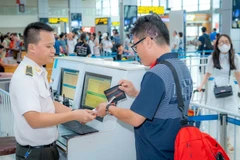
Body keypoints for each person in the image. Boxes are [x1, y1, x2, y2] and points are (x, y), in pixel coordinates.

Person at [96, 14, 193, 160]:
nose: (137, 53)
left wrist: (109, 108)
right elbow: (167, 101)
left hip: (155, 153)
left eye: (136, 46)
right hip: (176, 151)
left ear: (147, 42)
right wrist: (136, 93)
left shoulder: (156, 73)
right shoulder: (182, 67)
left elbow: (135, 118)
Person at [10, 22, 96, 160]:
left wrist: (77, 113)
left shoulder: (38, 72)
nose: (53, 50)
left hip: (47, 149)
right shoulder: (25, 77)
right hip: (35, 153)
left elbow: (49, 103)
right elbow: (34, 120)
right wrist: (73, 116)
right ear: (32, 48)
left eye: (53, 45)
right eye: (48, 46)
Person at [198, 34, 240, 153]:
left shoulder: (235, 57)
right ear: (217, 44)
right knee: (215, 113)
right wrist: (201, 85)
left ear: (230, 43)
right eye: (221, 42)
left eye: (226, 41)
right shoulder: (213, 57)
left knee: (231, 113)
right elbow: (208, 73)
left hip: (230, 87)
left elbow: (238, 75)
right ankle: (215, 139)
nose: (224, 44)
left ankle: (228, 139)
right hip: (216, 87)